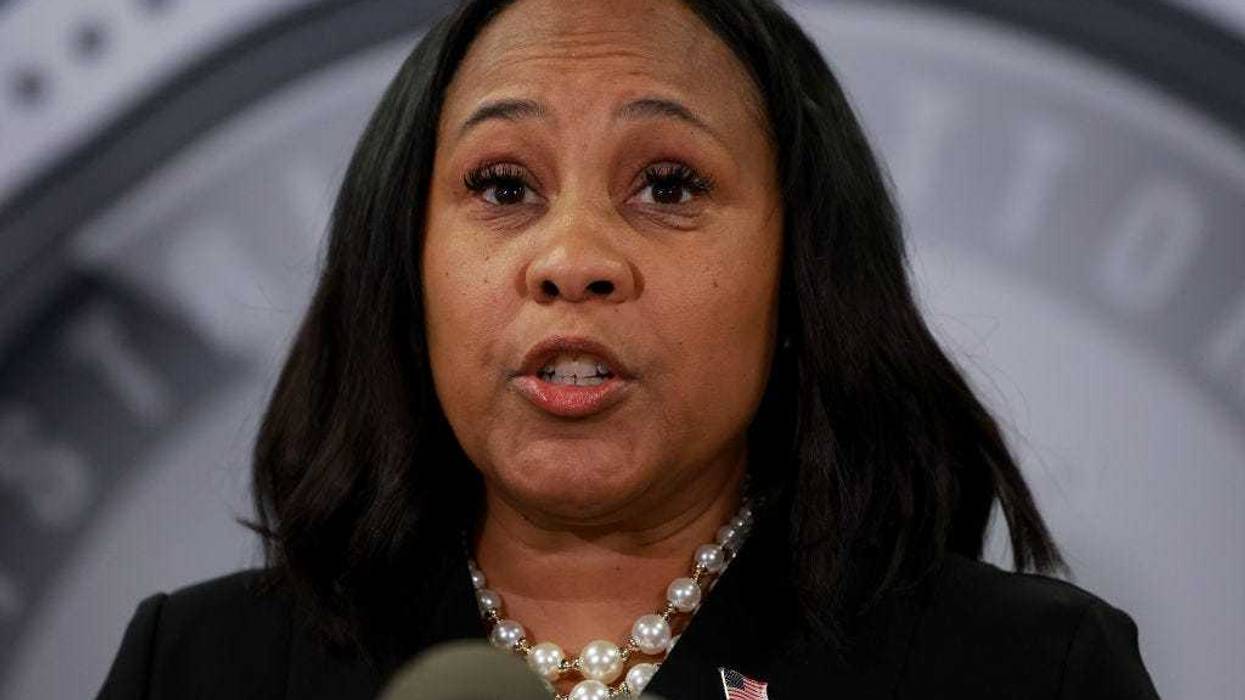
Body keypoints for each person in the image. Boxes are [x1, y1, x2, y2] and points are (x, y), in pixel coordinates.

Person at [97, 0, 1161, 698]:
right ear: (405, 266)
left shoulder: (1027, 673)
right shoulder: (198, 670)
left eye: (670, 184)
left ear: (800, 273)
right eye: (503, 186)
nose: (573, 260)